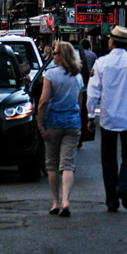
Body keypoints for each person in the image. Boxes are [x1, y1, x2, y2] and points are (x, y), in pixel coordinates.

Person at [87, 26, 127, 212]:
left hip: (109, 117)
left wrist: (91, 115)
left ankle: (111, 200)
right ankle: (122, 186)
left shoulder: (102, 63)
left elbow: (92, 92)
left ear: (112, 42)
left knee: (108, 159)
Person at [37, 41, 85, 216]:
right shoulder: (78, 76)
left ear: (62, 55)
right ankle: (66, 201)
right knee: (68, 164)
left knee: (52, 163)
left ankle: (56, 202)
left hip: (53, 122)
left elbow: (44, 101)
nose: (54, 55)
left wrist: (40, 123)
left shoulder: (50, 74)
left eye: (56, 53)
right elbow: (79, 102)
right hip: (72, 122)